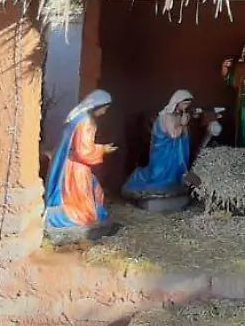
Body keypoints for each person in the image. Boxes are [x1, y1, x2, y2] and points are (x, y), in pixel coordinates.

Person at [44, 89, 120, 241]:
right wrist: (102, 149)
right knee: (82, 203)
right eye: (104, 108)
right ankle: (56, 217)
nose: (104, 112)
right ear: (96, 105)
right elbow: (83, 152)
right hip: (76, 168)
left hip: (71, 164)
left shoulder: (78, 117)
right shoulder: (85, 122)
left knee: (91, 192)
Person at [122, 90, 194, 197]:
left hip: (176, 154)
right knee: (157, 176)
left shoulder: (180, 115)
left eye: (188, 105)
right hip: (163, 153)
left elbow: (184, 135)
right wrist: (183, 125)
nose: (186, 107)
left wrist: (184, 125)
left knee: (179, 172)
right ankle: (139, 181)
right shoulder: (166, 116)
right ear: (177, 102)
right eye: (184, 104)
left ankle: (180, 190)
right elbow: (173, 135)